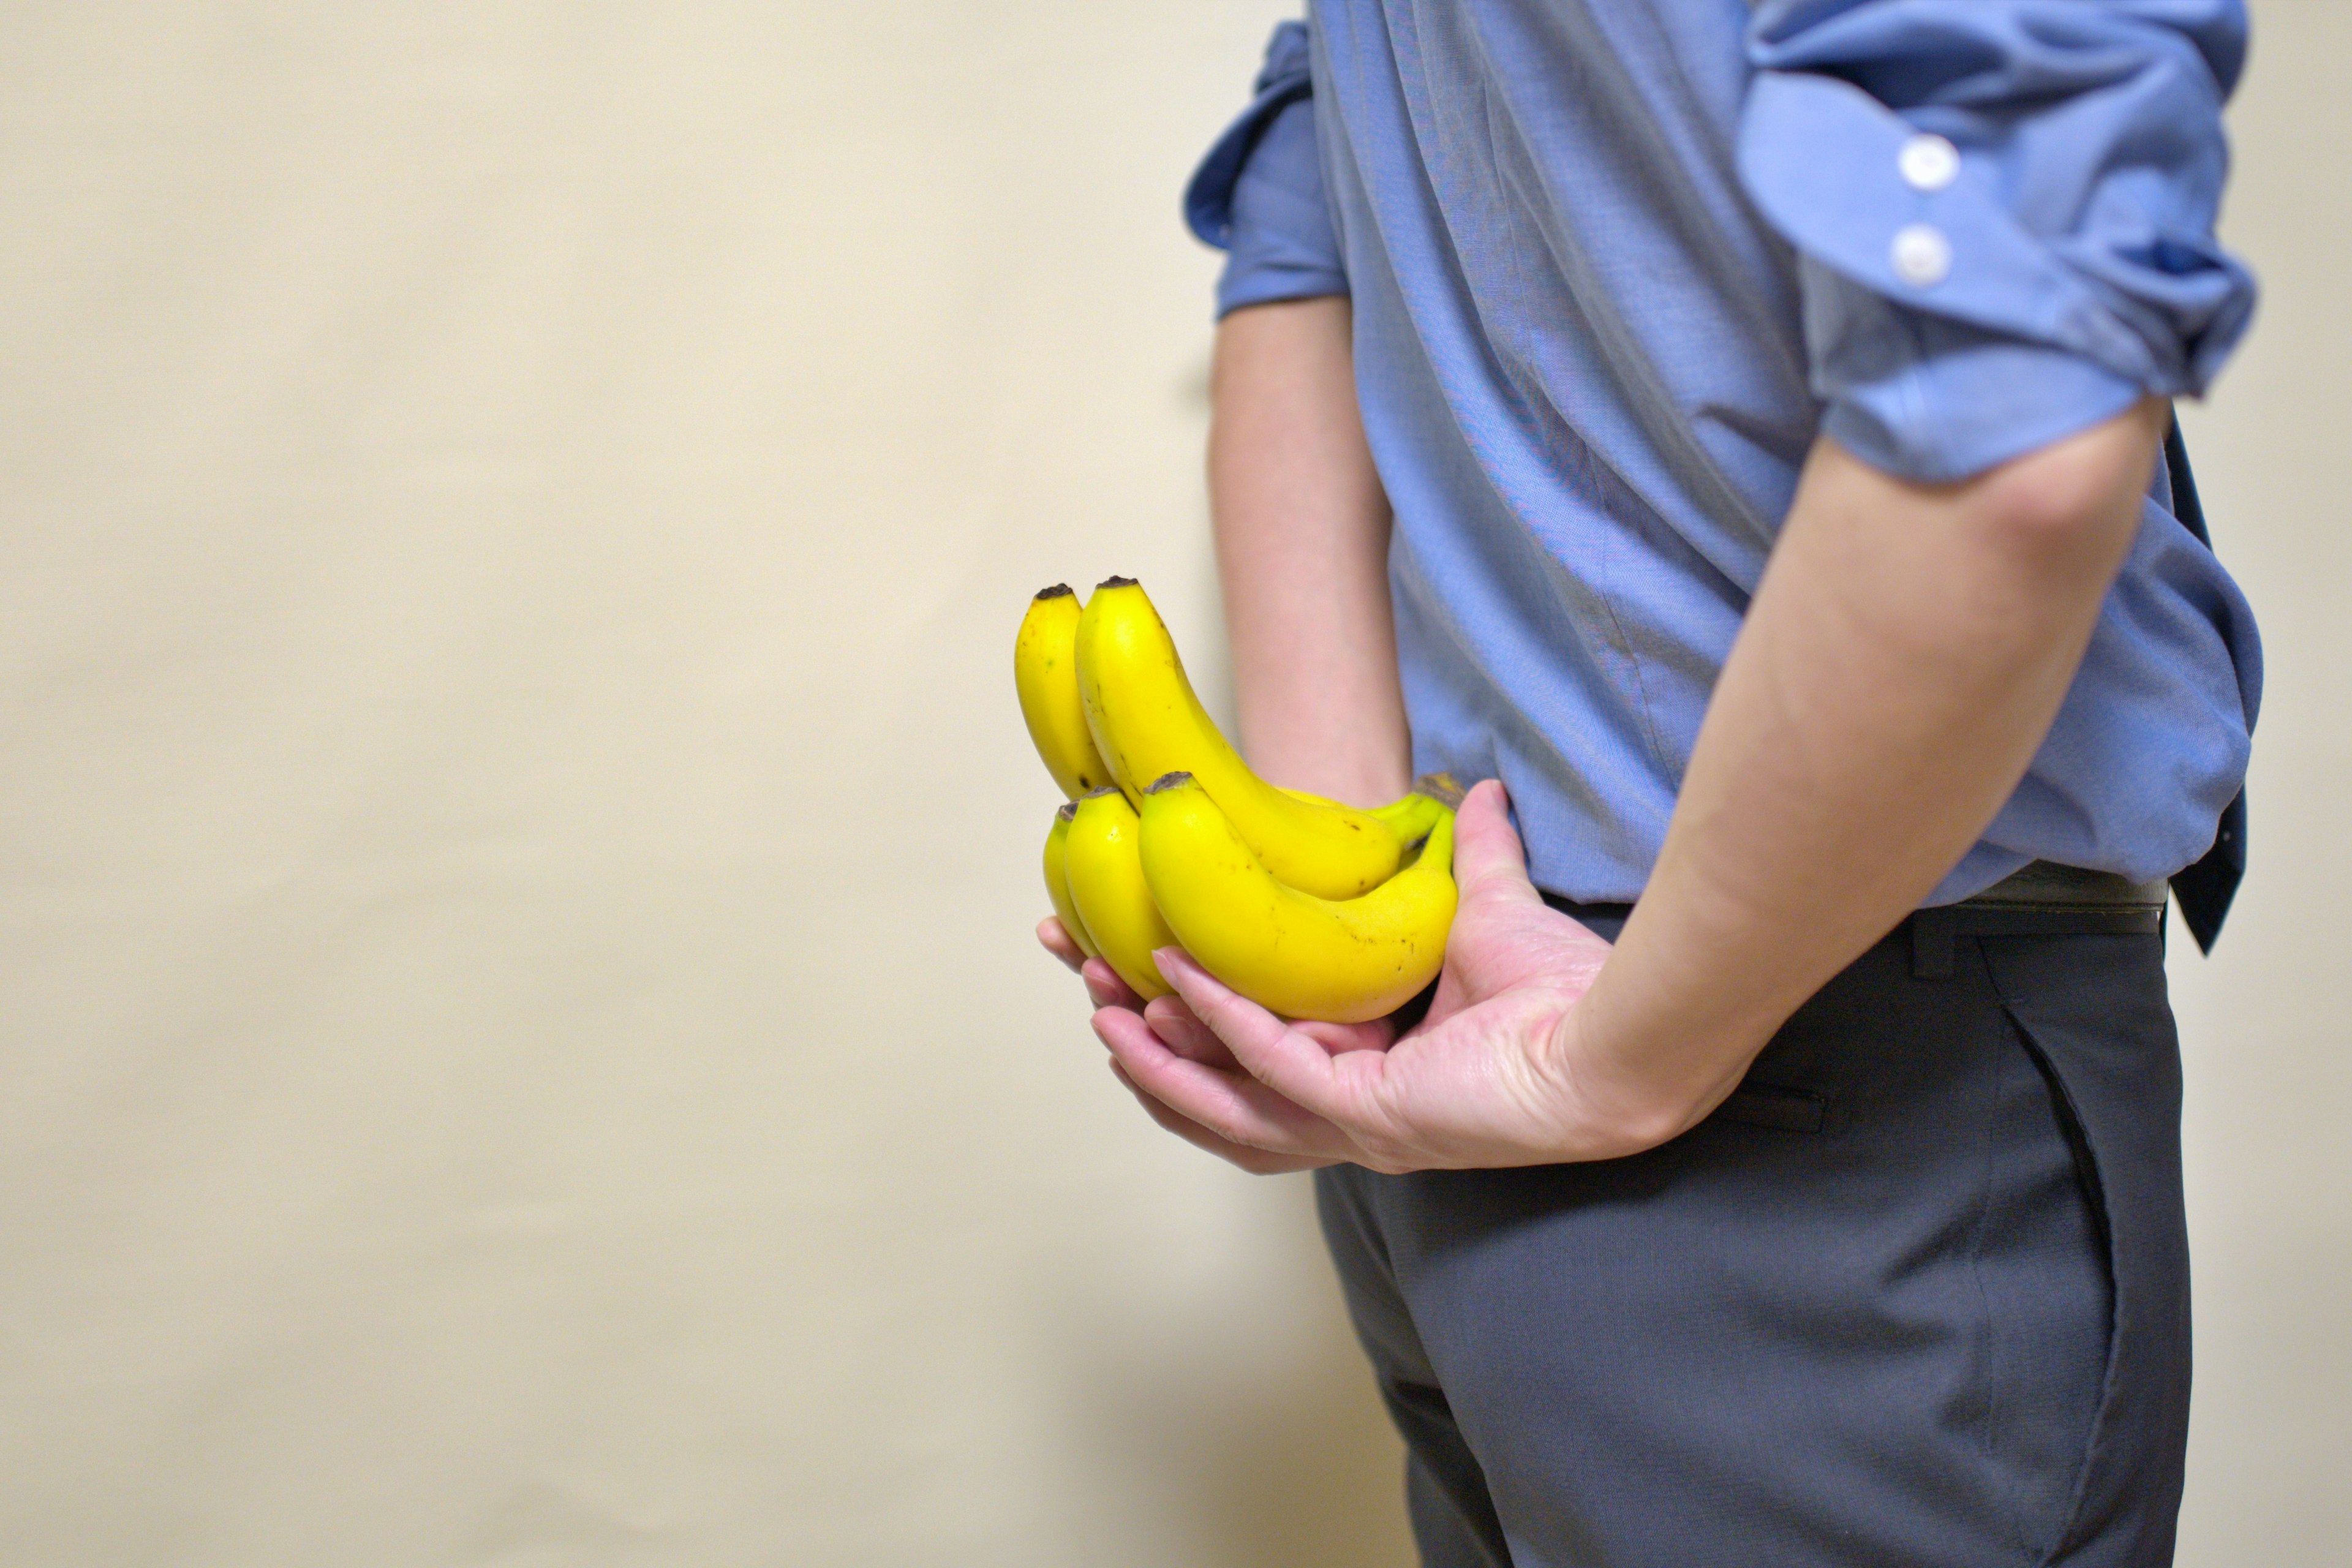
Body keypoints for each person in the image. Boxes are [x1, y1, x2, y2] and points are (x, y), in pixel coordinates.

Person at [1039, 4, 2260, 1563]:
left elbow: (1305, 228)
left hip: (1479, 1061)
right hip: (1808, 1106)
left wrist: (1339, 946)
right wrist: (1613, 1062)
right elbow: (2017, 415)